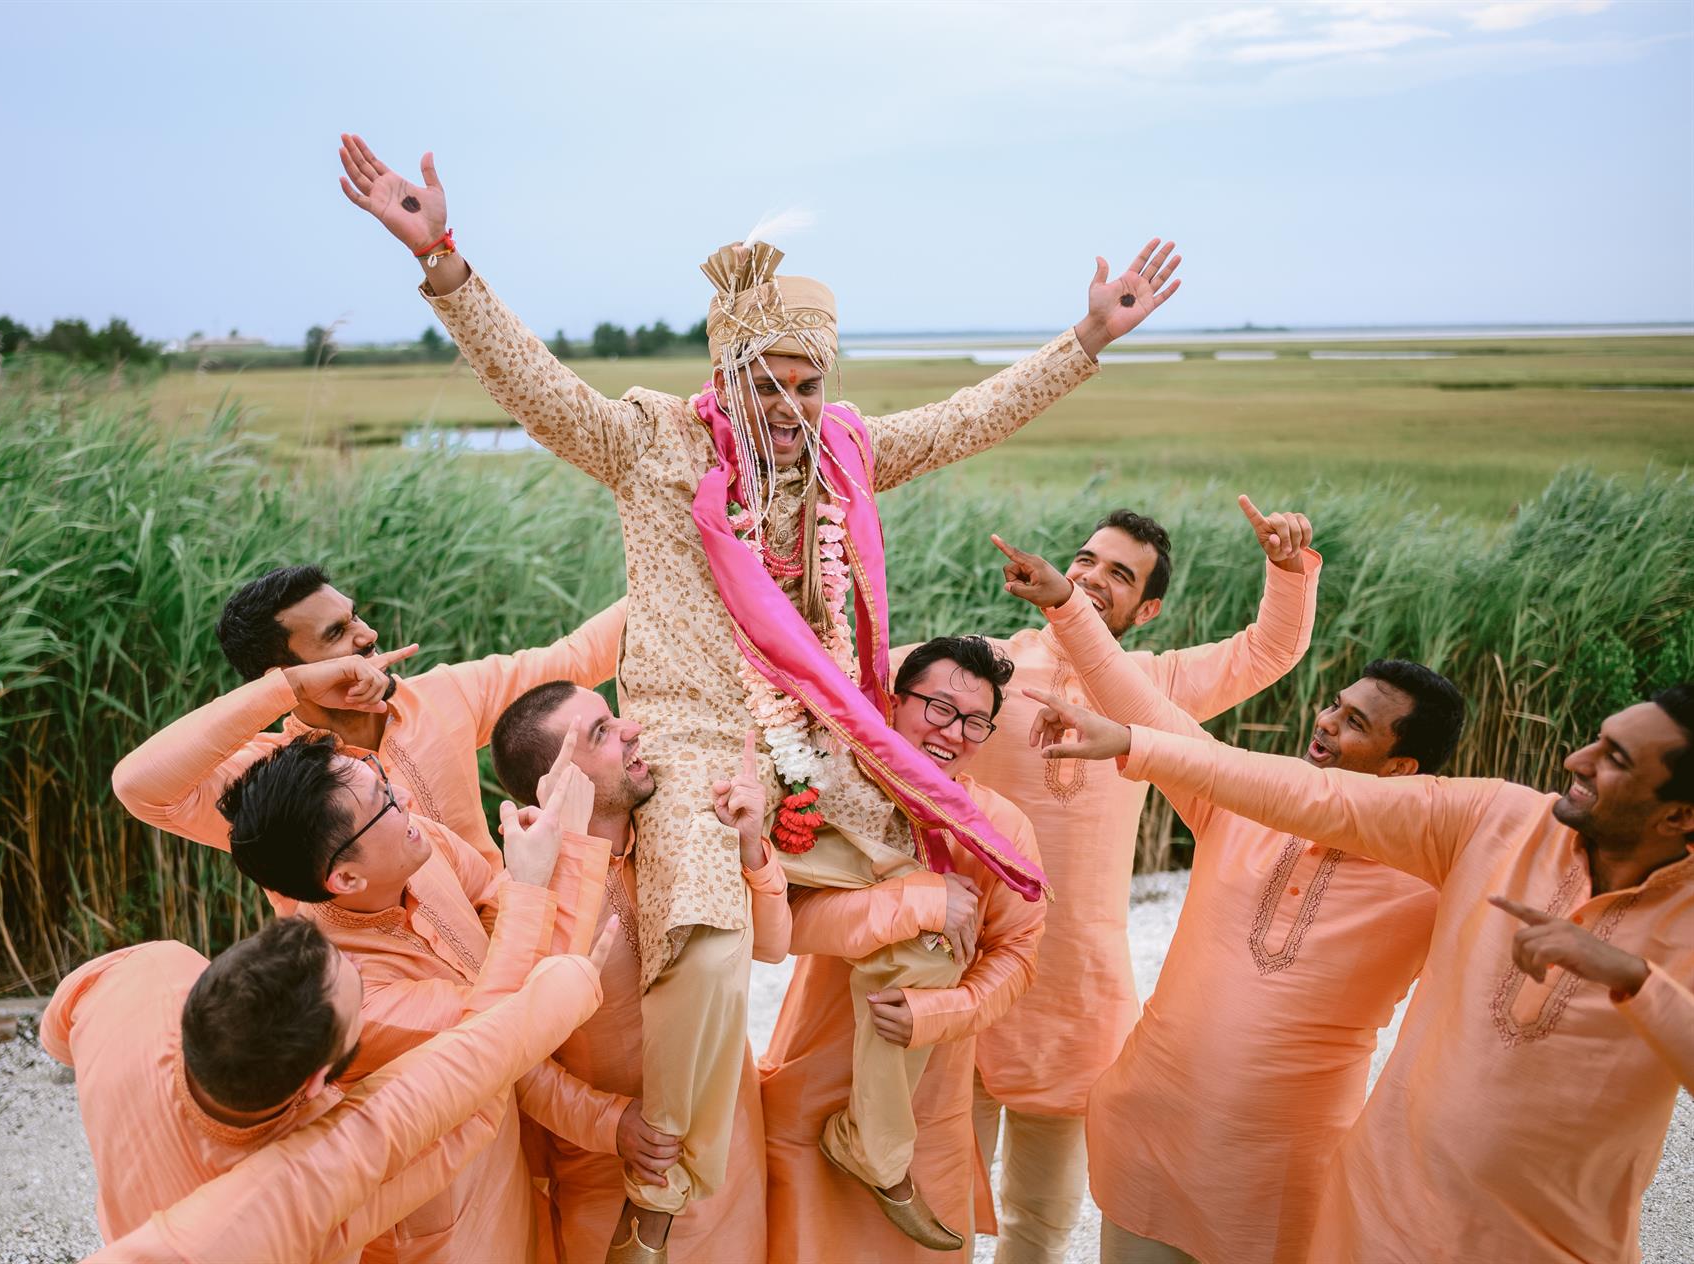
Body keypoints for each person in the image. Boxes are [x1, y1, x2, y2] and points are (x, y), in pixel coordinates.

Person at [338, 131, 1179, 1257]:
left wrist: (1086, 340)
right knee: (709, 948)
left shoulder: (844, 454)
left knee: (942, 908)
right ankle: (669, 1185)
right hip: (690, 746)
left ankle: (874, 1141)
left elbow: (965, 419)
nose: (789, 407)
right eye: (767, 385)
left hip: (822, 742)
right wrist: (441, 258)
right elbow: (534, 389)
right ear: (726, 378)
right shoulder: (651, 443)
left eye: (808, 384)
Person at [1028, 684, 1694, 1263]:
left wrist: (1638, 982)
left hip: (1544, 1247)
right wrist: (1137, 744)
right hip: (1373, 1222)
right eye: (1596, 740)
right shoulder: (1499, 820)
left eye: (1616, 759)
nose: (1577, 760)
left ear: (1679, 816)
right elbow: (1318, 795)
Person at [1000, 535, 1454, 1262]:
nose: (1326, 722)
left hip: (1278, 1170)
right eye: (1335, 706)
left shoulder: (1431, 879)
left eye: (1355, 723)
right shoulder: (1242, 801)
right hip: (1150, 1134)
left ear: (1403, 768)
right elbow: (1139, 703)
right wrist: (1064, 604)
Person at [116, 641, 619, 1264]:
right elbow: (501, 1036)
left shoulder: (416, 841)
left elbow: (495, 909)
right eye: (383, 803)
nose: (403, 797)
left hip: (512, 1165)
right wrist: (553, 864)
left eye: (381, 780)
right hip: (443, 1226)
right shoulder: (350, 992)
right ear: (345, 879)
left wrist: (523, 887)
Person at [922, 498, 1322, 1263]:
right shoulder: (982, 664)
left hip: (1074, 982)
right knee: (937, 1208)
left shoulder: (1155, 685)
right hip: (964, 956)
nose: (1092, 577)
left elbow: (1267, 650)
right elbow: (865, 674)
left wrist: (1287, 568)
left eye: (1120, 574)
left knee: (1039, 1220)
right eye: (1086, 559)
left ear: (1148, 610)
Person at [46, 915, 616, 1263]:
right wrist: (571, 982)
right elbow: (467, 1099)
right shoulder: (314, 1180)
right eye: (357, 996)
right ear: (318, 1080)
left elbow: (57, 1034)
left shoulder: (145, 973)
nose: (359, 969)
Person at [760, 635, 1045, 1260]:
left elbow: (1018, 954)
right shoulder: (830, 793)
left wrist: (938, 1011)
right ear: (892, 702)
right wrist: (916, 902)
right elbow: (780, 926)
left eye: (975, 722)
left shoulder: (1000, 827)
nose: (953, 732)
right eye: (939, 708)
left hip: (927, 1101)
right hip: (814, 1075)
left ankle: (878, 1149)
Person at [491, 682, 791, 1262]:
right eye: (602, 732)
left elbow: (775, 948)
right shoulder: (526, 896)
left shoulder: (681, 831)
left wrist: (752, 852)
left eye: (614, 716)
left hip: (727, 1153)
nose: (632, 730)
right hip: (611, 1176)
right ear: (560, 782)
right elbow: (517, 1064)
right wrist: (614, 1124)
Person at [116, 561, 623, 876]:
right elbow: (140, 788)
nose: (367, 635)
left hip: (512, 945)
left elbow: (578, 657)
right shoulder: (270, 781)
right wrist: (288, 690)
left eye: (354, 616)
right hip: (394, 996)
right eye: (336, 634)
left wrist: (671, 567)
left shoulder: (441, 694)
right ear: (286, 674)